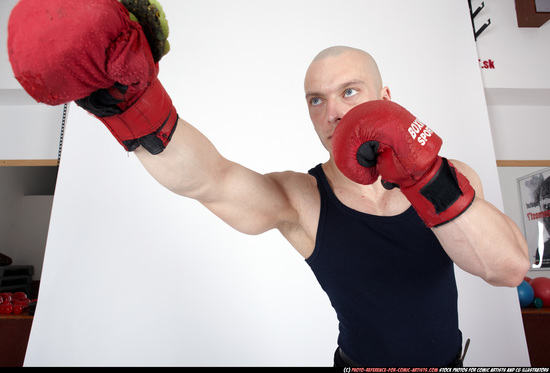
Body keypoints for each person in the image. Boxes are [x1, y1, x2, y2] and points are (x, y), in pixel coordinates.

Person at [8, 0, 530, 367]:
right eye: (316, 100)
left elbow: (508, 269)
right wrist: (131, 104)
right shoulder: (303, 199)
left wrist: (422, 173)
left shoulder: (453, 176)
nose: (334, 112)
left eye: (350, 91)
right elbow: (210, 180)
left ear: (385, 94)